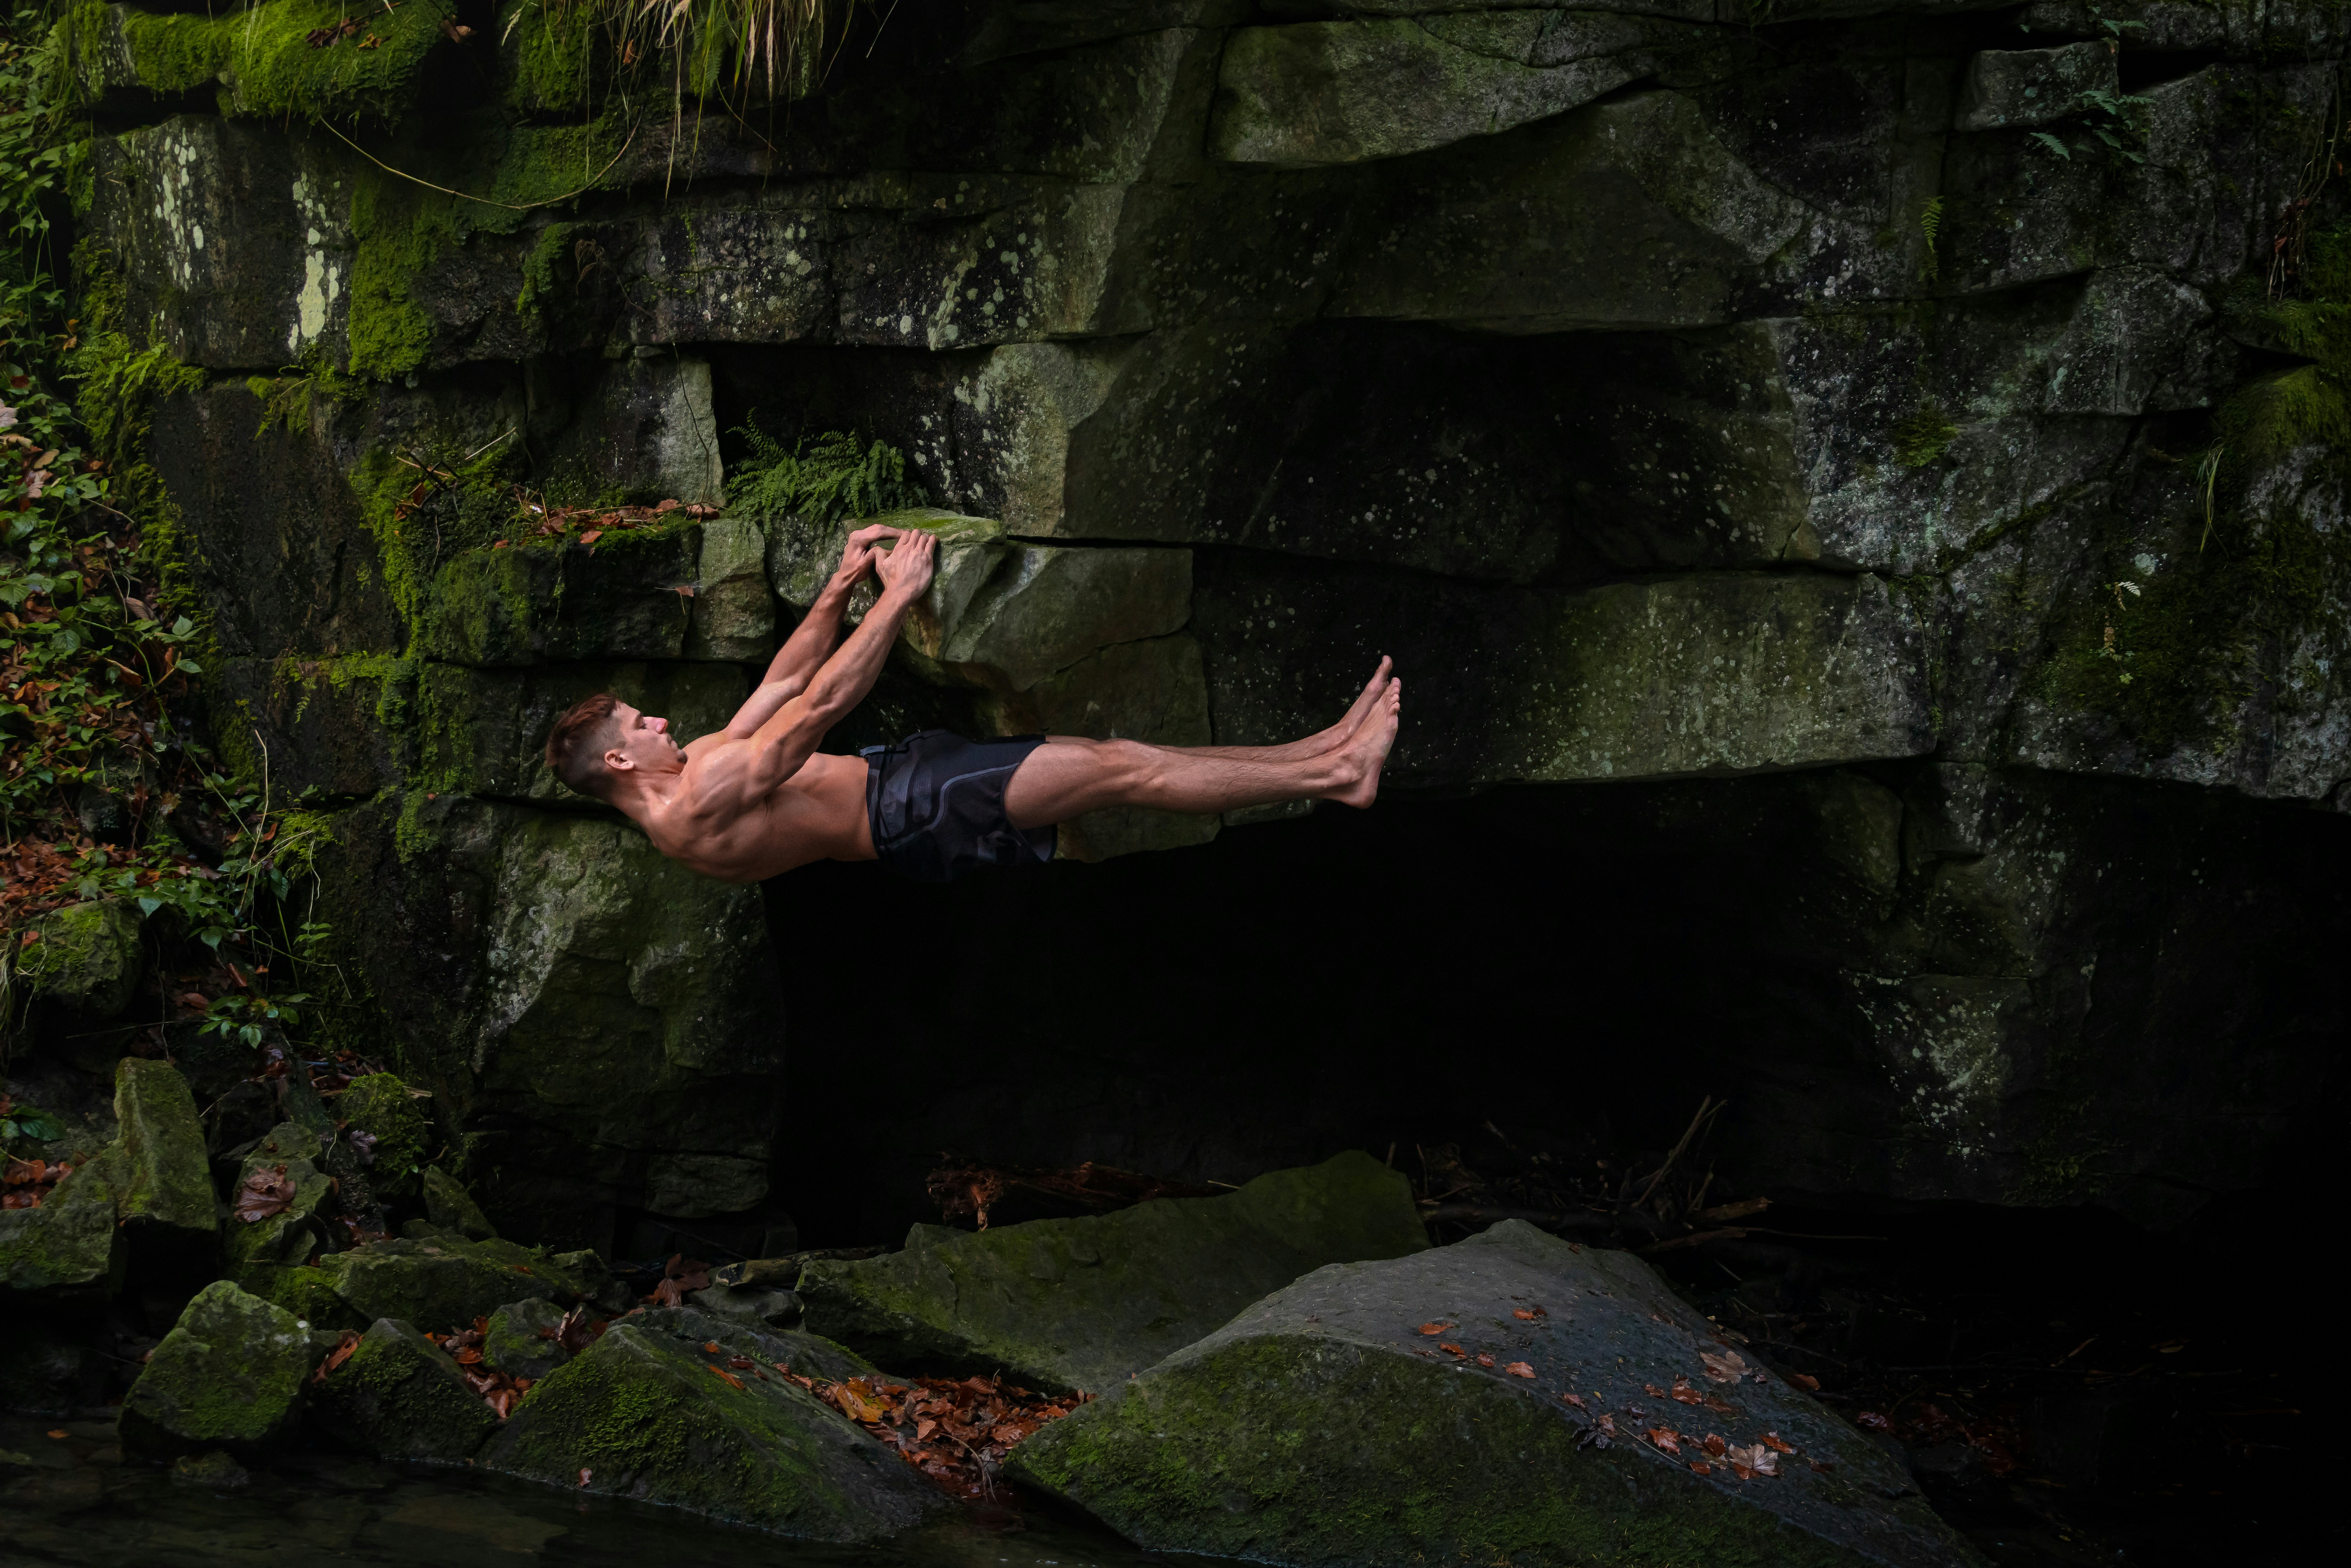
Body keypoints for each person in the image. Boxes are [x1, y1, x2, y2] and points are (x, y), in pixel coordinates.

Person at [542, 524, 1401, 883]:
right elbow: (817, 711)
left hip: (904, 783)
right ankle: (1334, 771)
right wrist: (897, 595)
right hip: (918, 812)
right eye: (639, 726)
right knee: (1121, 767)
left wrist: (842, 585)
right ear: (618, 761)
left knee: (1117, 761)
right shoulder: (695, 807)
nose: (658, 722)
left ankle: (1327, 751)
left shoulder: (694, 768)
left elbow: (780, 685)